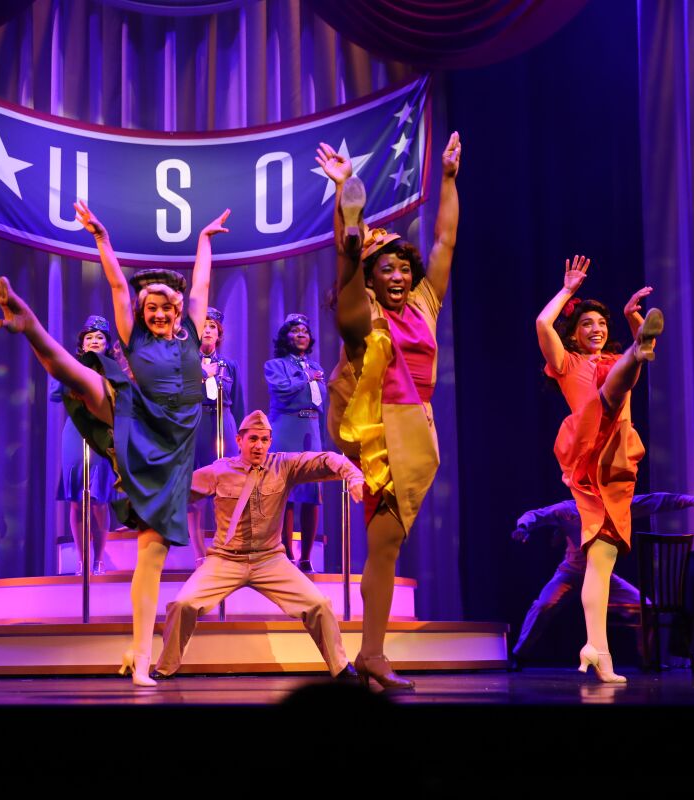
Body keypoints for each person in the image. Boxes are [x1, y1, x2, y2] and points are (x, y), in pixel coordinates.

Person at [0, 200, 229, 686]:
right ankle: (29, 324)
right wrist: (101, 238)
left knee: (152, 558)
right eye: (153, 307)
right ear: (143, 314)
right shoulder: (134, 338)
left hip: (173, 454)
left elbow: (201, 283)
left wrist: (204, 242)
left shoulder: (190, 341)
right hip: (137, 421)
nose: (160, 311)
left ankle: (141, 654)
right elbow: (120, 286)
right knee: (85, 379)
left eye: (168, 305)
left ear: (181, 309)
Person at [317, 132, 461, 690]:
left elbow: (445, 241)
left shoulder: (424, 303)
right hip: (376, 425)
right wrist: (343, 201)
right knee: (353, 309)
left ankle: (371, 653)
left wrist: (447, 179)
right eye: (389, 270)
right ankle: (372, 652)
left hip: (417, 428)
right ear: (378, 277)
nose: (399, 276)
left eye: (404, 268)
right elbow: (349, 267)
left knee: (389, 545)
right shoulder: (370, 304)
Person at [150, 410, 364, 681]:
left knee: (319, 604)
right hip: (225, 560)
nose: (259, 446)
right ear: (239, 440)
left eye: (264, 440)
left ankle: (341, 667)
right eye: (253, 439)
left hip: (269, 560)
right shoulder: (220, 470)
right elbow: (178, 491)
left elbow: (326, 459)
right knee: (182, 604)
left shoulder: (283, 466)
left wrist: (353, 476)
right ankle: (165, 667)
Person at [535, 255, 665, 682]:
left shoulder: (612, 361)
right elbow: (542, 324)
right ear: (573, 335)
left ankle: (597, 648)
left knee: (601, 561)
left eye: (601, 324)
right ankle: (641, 345)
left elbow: (629, 375)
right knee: (617, 383)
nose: (595, 329)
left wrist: (631, 318)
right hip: (590, 448)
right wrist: (569, 290)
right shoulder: (567, 364)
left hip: (618, 462)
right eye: (587, 324)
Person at [511, 492, 694, 665]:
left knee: (646, 608)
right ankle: (519, 655)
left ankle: (646, 659)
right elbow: (535, 515)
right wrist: (523, 527)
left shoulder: (617, 509)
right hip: (570, 574)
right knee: (544, 605)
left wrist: (692, 500)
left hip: (602, 577)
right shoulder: (567, 509)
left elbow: (656, 501)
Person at [49, 315, 122, 575]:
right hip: (75, 433)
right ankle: (81, 561)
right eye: (89, 337)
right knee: (76, 500)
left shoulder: (113, 370)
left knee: (99, 499)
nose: (94, 341)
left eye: (99, 337)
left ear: (106, 344)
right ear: (82, 344)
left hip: (102, 434)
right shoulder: (72, 366)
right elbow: (54, 394)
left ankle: (99, 559)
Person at [265, 313, 328, 571]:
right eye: (295, 331)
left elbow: (321, 403)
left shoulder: (317, 368)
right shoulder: (274, 365)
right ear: (285, 337)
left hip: (311, 429)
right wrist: (305, 379)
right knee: (287, 493)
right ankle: (287, 553)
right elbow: (281, 388)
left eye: (305, 331)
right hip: (286, 427)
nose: (301, 334)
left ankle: (306, 557)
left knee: (312, 494)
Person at [188, 307, 243, 564]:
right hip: (196, 422)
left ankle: (225, 547)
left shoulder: (229, 366)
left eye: (212, 326)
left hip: (224, 422)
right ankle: (199, 554)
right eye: (204, 325)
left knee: (226, 486)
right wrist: (200, 374)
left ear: (219, 333)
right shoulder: (186, 363)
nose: (208, 330)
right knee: (197, 489)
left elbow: (240, 402)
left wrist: (242, 437)